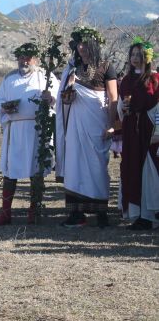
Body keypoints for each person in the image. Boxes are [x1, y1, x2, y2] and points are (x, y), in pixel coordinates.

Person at [56, 26, 118, 228]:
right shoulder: (72, 69)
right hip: (75, 124)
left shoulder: (106, 66)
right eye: (78, 45)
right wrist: (70, 86)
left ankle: (101, 213)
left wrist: (111, 125)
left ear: (93, 45)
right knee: (74, 165)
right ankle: (76, 214)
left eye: (84, 44)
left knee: (97, 166)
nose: (81, 48)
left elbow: (113, 97)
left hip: (96, 121)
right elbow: (64, 100)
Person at [0, 43, 59, 225]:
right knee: (9, 171)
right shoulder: (9, 79)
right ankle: (5, 212)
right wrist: (5, 108)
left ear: (36, 59)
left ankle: (34, 211)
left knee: (35, 170)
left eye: (29, 57)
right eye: (21, 57)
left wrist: (50, 99)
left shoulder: (45, 76)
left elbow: (57, 98)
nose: (25, 60)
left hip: (37, 129)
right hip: (14, 130)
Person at [118, 37, 159, 230]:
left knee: (150, 169)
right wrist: (124, 109)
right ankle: (138, 214)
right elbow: (121, 105)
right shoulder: (126, 80)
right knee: (132, 167)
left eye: (139, 55)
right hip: (132, 130)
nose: (135, 58)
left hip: (149, 129)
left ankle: (151, 213)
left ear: (147, 57)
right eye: (133, 54)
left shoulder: (155, 79)